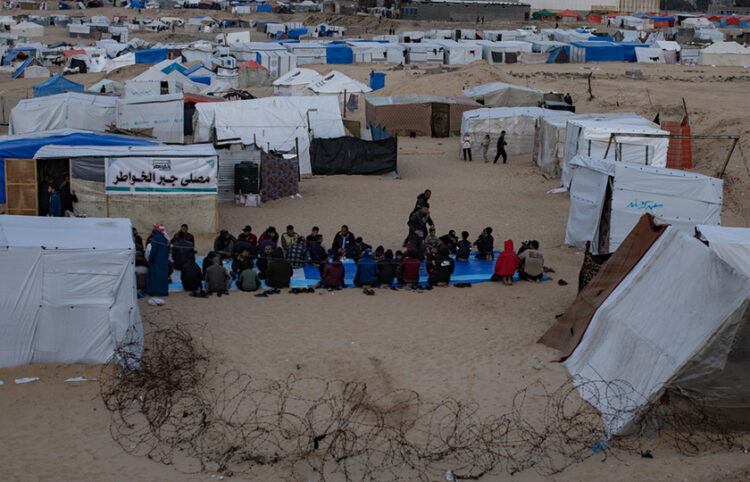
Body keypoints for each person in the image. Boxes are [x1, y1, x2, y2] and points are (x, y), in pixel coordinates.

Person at [146, 223, 170, 296]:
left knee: (155, 276)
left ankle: (155, 291)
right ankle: (164, 291)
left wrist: (150, 260)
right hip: (164, 261)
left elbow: (153, 251)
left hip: (157, 261)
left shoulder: (157, 237)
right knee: (163, 277)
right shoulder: (166, 237)